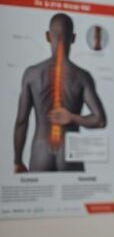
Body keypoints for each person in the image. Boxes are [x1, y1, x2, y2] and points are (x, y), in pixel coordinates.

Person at [13, 13, 107, 173]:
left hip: (40, 152)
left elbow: (22, 121)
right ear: (74, 38)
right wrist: (72, 117)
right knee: (73, 197)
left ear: (48, 36)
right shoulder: (82, 77)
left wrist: (17, 161)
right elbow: (100, 120)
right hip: (69, 152)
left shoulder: (32, 74)